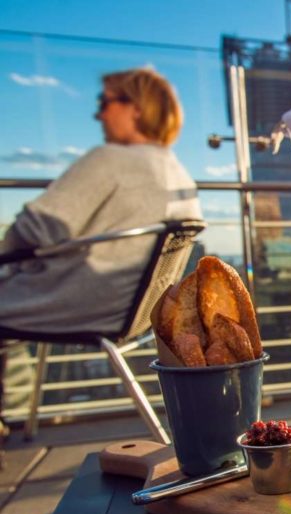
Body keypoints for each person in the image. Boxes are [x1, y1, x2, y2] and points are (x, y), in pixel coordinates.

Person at [0, 68, 200, 450]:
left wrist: (13, 261)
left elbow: (37, 226)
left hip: (82, 301)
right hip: (138, 310)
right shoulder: (177, 171)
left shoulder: (109, 159)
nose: (99, 114)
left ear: (136, 109)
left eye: (105, 103)